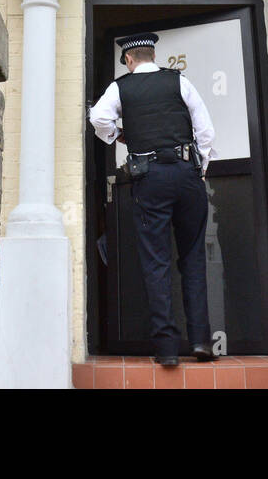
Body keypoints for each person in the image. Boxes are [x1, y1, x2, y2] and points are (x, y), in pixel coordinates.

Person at [88, 31, 217, 366]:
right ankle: (202, 341)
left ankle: (167, 349)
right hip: (186, 174)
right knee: (192, 258)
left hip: (150, 178)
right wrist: (199, 169)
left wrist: (117, 135)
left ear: (129, 60)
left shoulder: (121, 87)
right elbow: (205, 130)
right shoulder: (179, 82)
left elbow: (98, 118)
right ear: (152, 55)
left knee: (156, 262)